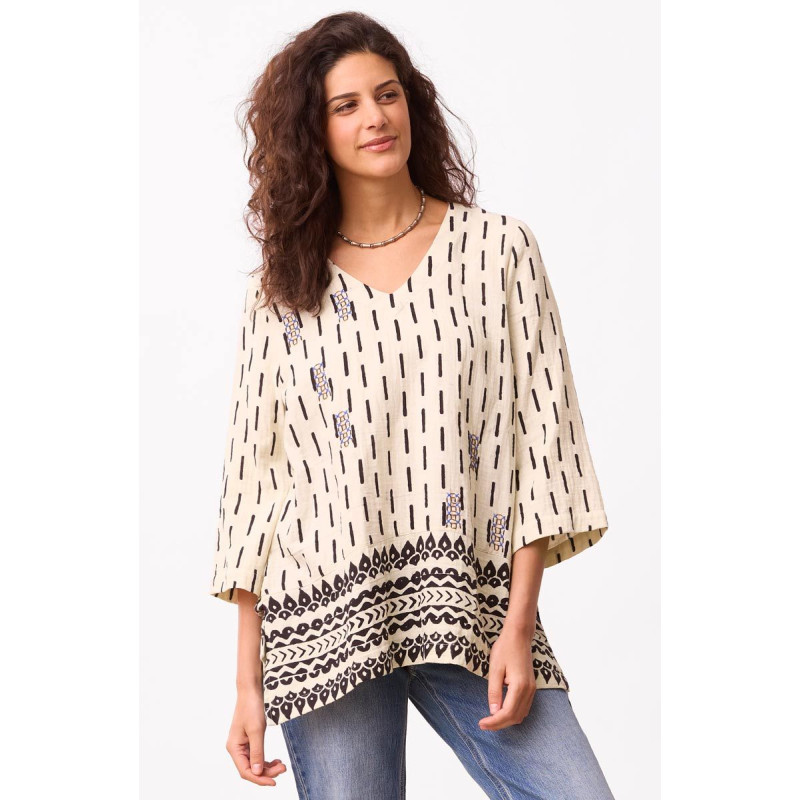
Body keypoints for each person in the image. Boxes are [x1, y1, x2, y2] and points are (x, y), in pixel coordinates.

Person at [208, 11, 615, 799]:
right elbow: (256, 491)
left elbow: (541, 441)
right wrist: (248, 684)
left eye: (387, 95)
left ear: (411, 104)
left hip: (470, 605)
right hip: (325, 618)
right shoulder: (282, 291)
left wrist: (519, 625)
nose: (375, 117)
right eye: (347, 105)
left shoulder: (498, 251)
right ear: (313, 132)